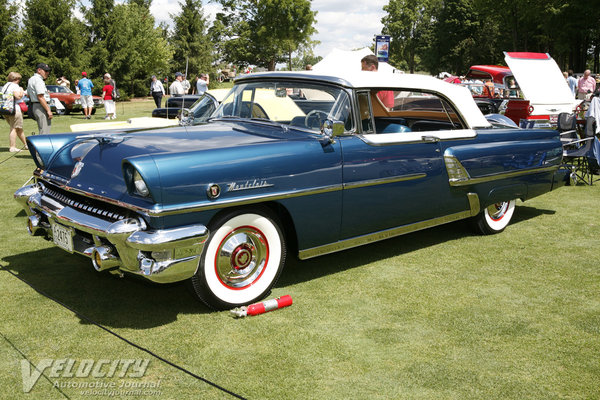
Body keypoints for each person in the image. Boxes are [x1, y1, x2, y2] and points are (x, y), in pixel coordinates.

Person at [2, 72, 27, 152]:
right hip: (15, 109)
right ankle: (12, 147)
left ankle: (26, 145)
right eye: (18, 79)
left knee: (18, 128)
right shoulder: (15, 86)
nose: (19, 81)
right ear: (15, 79)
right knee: (14, 128)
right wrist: (22, 91)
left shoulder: (5, 86)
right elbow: (17, 96)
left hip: (5, 109)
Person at [26, 63, 53, 134]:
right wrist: (48, 110)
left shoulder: (31, 79)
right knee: (45, 130)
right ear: (39, 70)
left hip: (36, 105)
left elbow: (28, 95)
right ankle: (44, 145)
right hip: (41, 106)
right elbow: (40, 97)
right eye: (46, 71)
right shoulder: (38, 80)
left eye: (48, 71)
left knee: (42, 128)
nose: (47, 73)